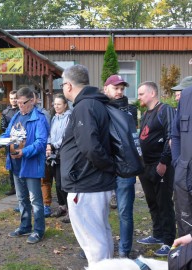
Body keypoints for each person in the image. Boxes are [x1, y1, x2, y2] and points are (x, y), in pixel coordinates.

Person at [60, 64, 116, 266]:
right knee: (101, 234)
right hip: (93, 181)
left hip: (85, 183)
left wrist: (109, 166)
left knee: (93, 241)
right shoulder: (94, 104)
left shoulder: (84, 107)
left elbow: (90, 147)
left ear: (68, 86)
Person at [0, 87, 48, 244]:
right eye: (18, 103)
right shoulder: (16, 117)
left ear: (32, 100)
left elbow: (41, 142)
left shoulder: (39, 118)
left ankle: (39, 230)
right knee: (21, 198)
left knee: (35, 199)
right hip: (15, 164)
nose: (20, 106)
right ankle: (25, 225)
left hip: (31, 164)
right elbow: (7, 134)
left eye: (23, 103)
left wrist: (24, 152)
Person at [136, 81, 176, 256]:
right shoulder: (146, 114)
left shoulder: (164, 110)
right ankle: (158, 234)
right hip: (146, 166)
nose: (138, 98)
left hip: (161, 166)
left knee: (164, 203)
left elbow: (171, 137)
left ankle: (168, 241)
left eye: (141, 94)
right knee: (152, 202)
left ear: (152, 93)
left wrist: (164, 162)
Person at [103, 74, 137, 258]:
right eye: (116, 88)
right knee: (99, 211)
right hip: (104, 167)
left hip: (125, 169)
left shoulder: (130, 110)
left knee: (124, 211)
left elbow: (132, 139)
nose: (119, 92)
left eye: (122, 89)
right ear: (105, 88)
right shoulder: (99, 108)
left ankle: (124, 249)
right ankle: (99, 246)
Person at [171, 78, 192, 238]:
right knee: (185, 227)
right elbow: (176, 134)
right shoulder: (186, 97)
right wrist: (178, 163)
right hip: (184, 177)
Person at [46, 94, 71, 221]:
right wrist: (49, 144)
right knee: (57, 182)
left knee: (64, 183)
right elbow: (50, 133)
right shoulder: (54, 118)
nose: (56, 106)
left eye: (59, 104)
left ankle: (70, 210)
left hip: (65, 154)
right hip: (54, 154)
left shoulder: (69, 117)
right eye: (55, 104)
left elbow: (66, 136)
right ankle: (62, 206)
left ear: (65, 105)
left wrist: (54, 145)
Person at [32, 90, 52, 217]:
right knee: (33, 179)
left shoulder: (44, 114)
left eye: (32, 98)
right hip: (30, 151)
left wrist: (47, 147)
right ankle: (34, 203)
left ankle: (46, 205)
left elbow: (49, 132)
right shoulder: (25, 113)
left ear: (37, 100)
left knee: (45, 179)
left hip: (42, 150)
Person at [1, 90, 19, 196]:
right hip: (9, 141)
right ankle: (13, 187)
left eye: (15, 98)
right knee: (11, 165)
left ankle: (21, 187)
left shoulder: (21, 110)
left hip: (21, 141)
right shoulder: (5, 112)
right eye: (11, 98)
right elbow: (3, 126)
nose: (13, 100)